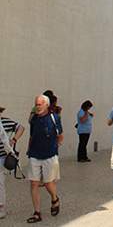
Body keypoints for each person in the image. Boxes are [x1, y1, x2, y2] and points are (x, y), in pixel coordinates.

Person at [26, 95, 63, 224]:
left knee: (48, 183)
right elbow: (32, 136)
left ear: (47, 105)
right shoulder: (34, 119)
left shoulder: (54, 118)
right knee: (34, 183)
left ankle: (54, 198)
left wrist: (55, 148)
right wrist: (28, 150)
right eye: (36, 104)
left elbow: (60, 136)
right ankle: (37, 212)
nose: (38, 106)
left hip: (50, 155)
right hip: (34, 155)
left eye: (40, 104)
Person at [0, 105, 24, 220]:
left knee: (0, 184)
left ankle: (1, 208)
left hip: (1, 158)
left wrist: (14, 140)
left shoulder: (5, 122)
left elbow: (21, 127)